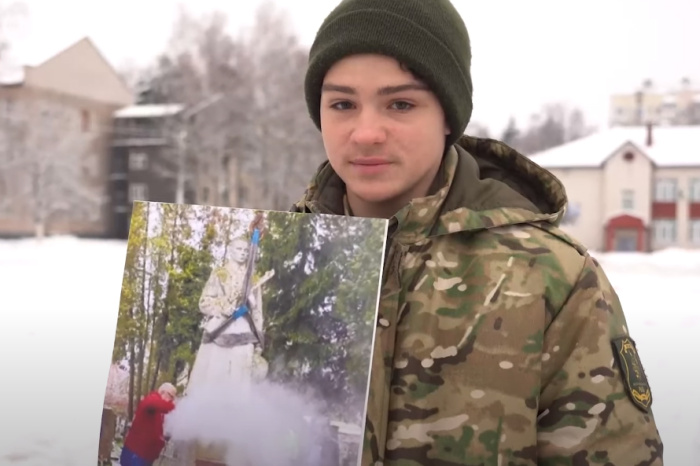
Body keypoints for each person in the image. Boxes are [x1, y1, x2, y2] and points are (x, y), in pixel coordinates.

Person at [291, 0, 664, 464]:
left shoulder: (552, 279)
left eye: (401, 103)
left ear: (448, 115)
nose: (366, 132)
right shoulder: (283, 263)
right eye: (343, 104)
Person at [120, 383, 176, 466]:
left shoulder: (159, 412)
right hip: (136, 454)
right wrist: (175, 407)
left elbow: (155, 430)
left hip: (145, 456)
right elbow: (156, 404)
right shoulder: (152, 399)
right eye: (171, 397)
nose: (171, 400)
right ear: (163, 392)